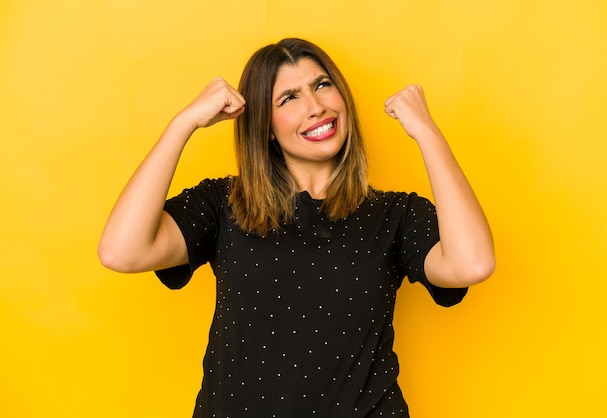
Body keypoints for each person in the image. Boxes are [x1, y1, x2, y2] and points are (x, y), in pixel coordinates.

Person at [98, 38, 494, 417]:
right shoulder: (224, 205)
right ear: (266, 127)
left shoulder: (395, 214)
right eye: (289, 98)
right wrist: (183, 123)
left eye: (322, 85)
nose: (317, 106)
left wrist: (427, 133)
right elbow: (121, 251)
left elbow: (472, 264)